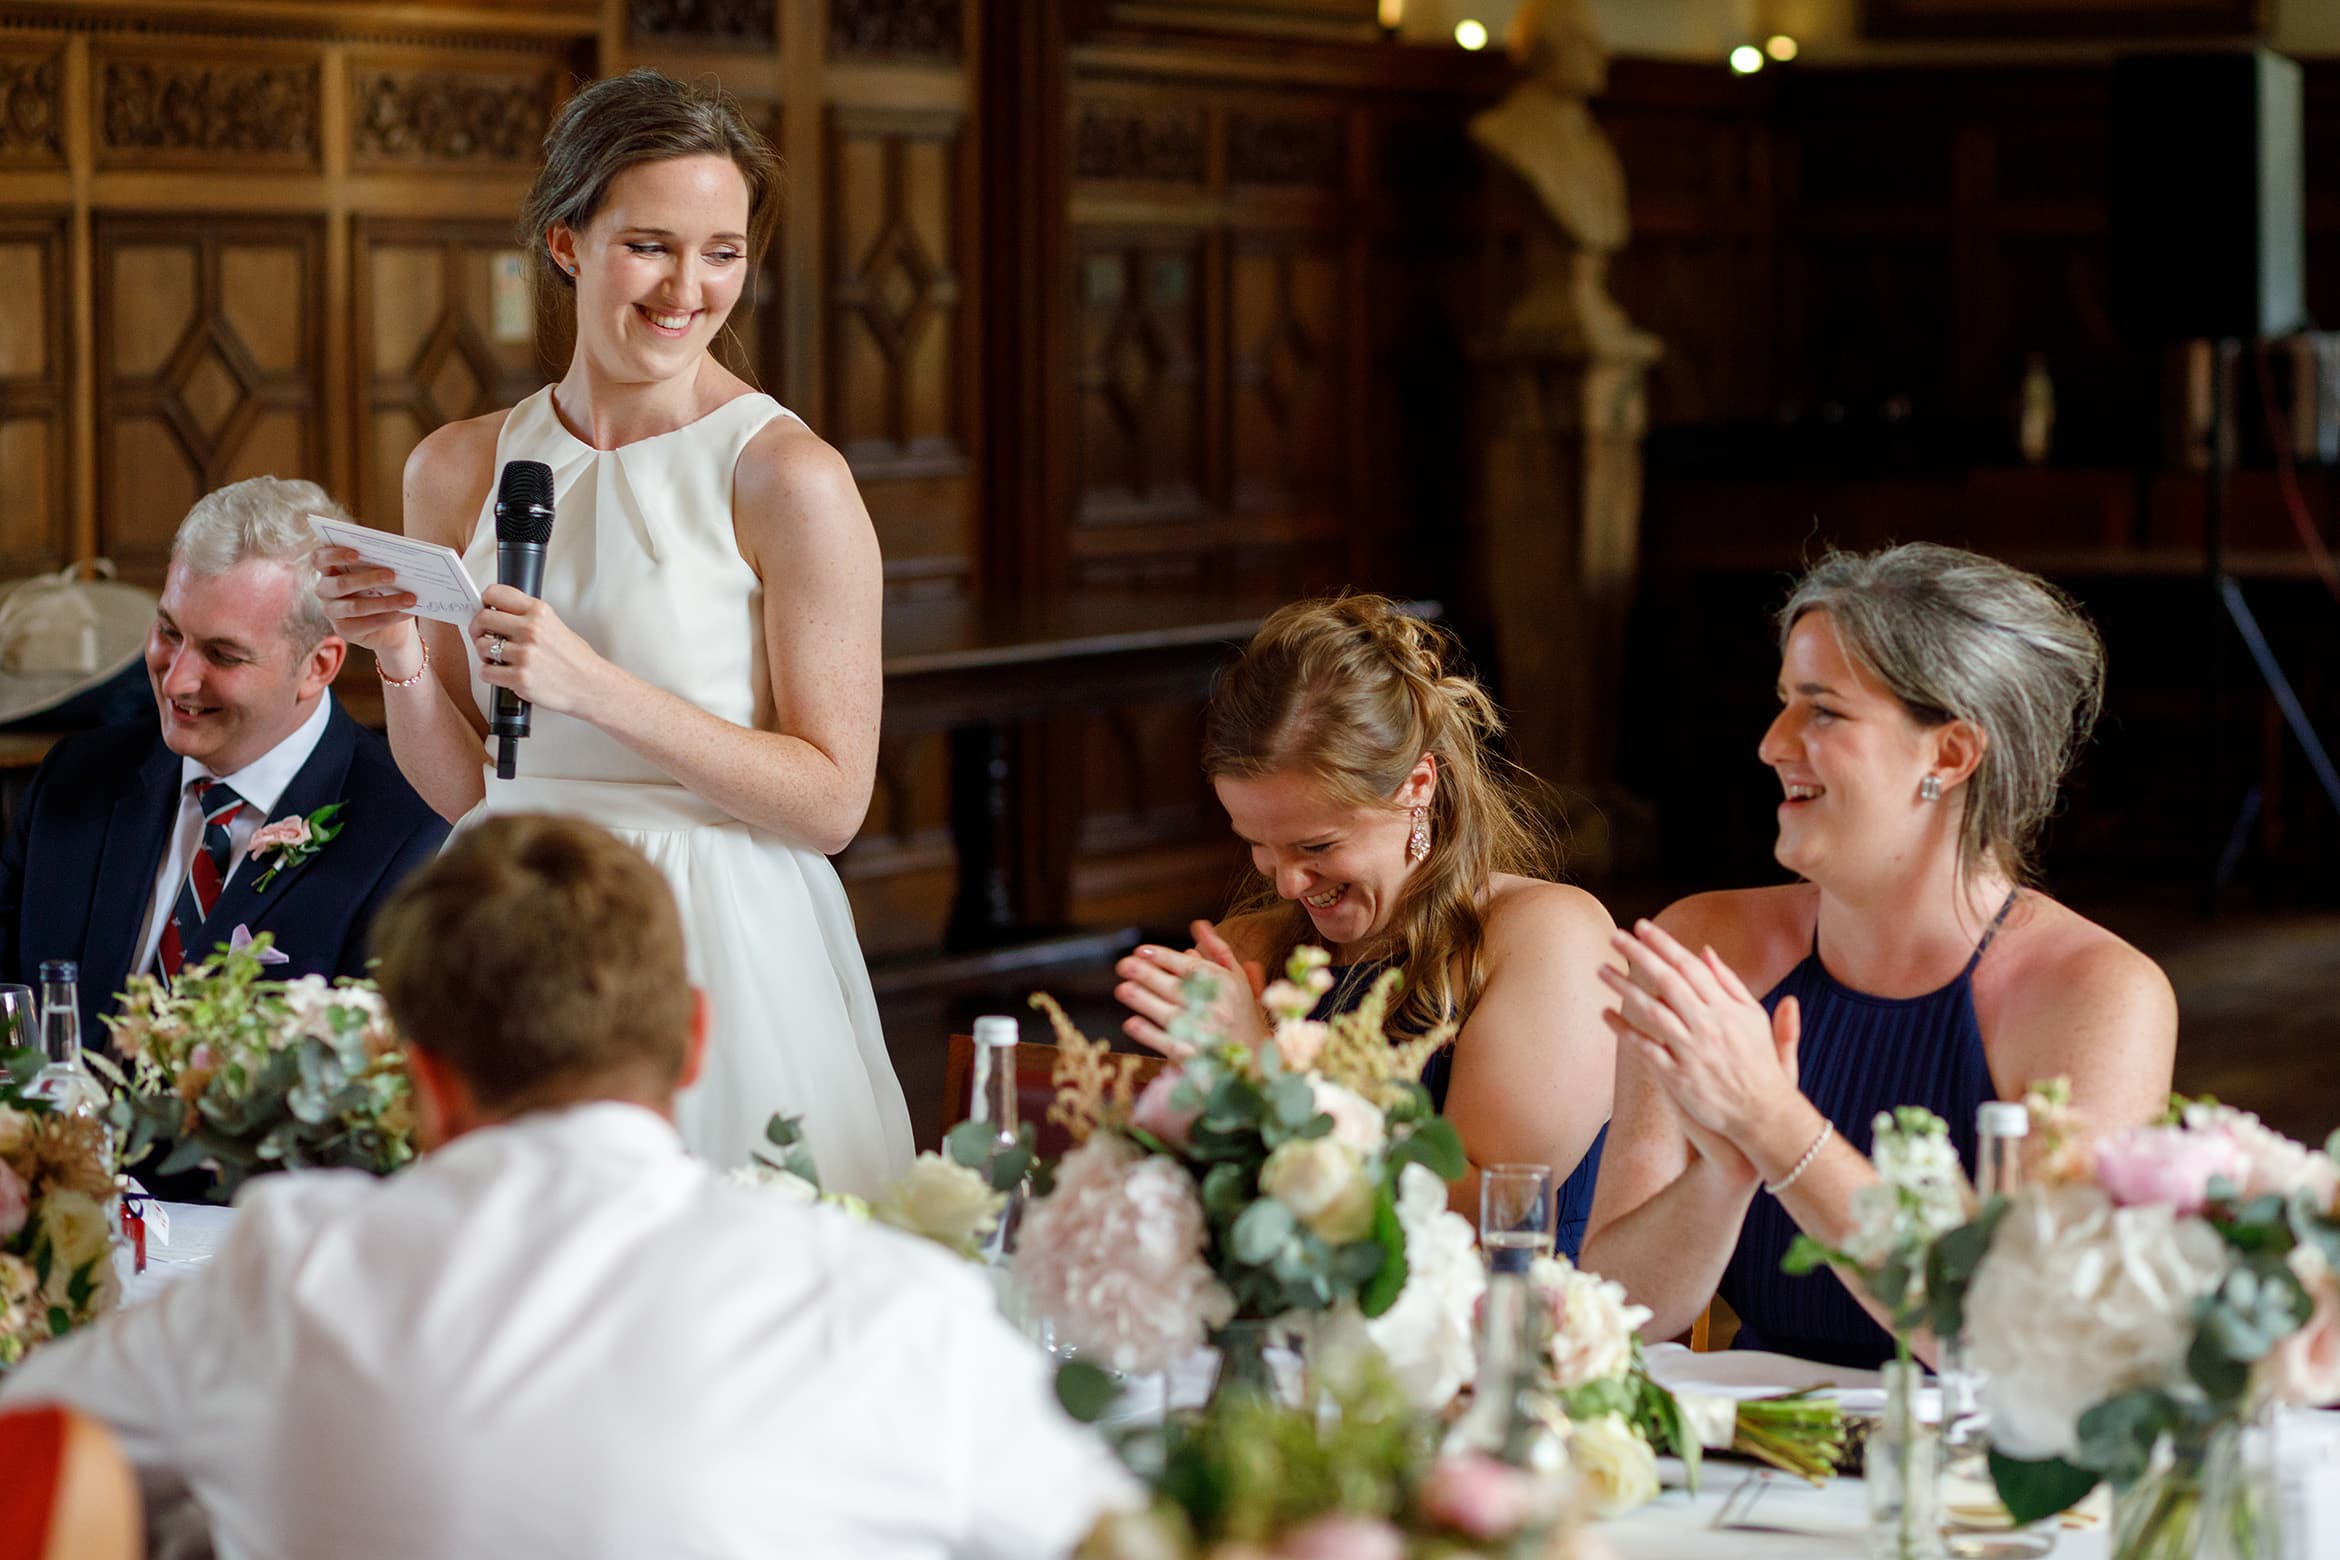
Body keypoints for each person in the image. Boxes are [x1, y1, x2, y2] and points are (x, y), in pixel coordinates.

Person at [0, 814, 1133, 1560]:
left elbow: (30, 1441)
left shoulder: (283, 1276)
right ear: (693, 1042)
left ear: (416, 1077)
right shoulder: (886, 1310)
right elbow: (1114, 1536)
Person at [314, 68, 912, 1191]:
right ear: (565, 243)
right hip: (507, 917)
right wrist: (395, 659)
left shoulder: (790, 478)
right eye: (651, 244)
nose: (690, 286)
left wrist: (596, 689)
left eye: (723, 251)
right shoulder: (455, 466)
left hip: (717, 940)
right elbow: (471, 793)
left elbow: (833, 803)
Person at [1581, 543, 2177, 1367]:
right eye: (1785, 701)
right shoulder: (1707, 945)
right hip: (1740, 1469)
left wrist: (1772, 1124)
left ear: (1950, 755)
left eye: (1821, 711)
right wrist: (1721, 1175)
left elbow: (2021, 1343)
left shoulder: (2098, 995)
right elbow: (1614, 1312)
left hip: (1968, 1480)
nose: (1772, 743)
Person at [1113, 596, 1617, 1255]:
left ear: (1418, 787)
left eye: (1317, 847)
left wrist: (1264, 1074)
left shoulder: (1547, 938)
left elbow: (1478, 1218)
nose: (1287, 883)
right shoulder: (1252, 949)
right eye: (1258, 843)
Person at [0, 478, 447, 1047]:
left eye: (222, 654)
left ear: (320, 666)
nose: (177, 678)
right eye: (168, 632)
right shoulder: (75, 777)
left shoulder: (409, 834)